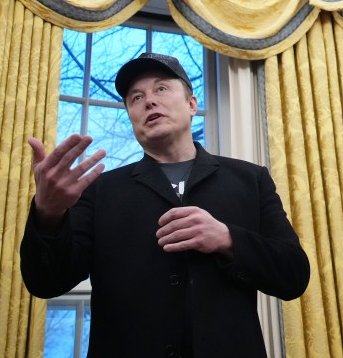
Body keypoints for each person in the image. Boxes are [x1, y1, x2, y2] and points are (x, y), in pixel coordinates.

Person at [20, 52, 309, 357]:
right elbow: (45, 282)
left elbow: (293, 275)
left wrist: (227, 239)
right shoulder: (99, 190)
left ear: (192, 105)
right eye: (136, 98)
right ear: (131, 117)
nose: (149, 101)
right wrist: (48, 213)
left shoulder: (251, 180)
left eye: (161, 89)